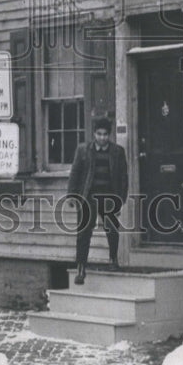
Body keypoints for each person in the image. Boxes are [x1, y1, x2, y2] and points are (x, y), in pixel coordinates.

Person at [67, 116, 128, 284]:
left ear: (110, 135)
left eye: (105, 134)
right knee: (84, 232)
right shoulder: (83, 150)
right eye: (99, 134)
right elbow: (75, 174)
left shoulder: (118, 152)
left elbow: (124, 177)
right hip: (88, 198)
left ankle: (113, 259)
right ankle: (81, 268)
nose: (102, 138)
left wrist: (121, 197)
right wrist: (72, 195)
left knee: (112, 229)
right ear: (94, 134)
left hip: (109, 197)